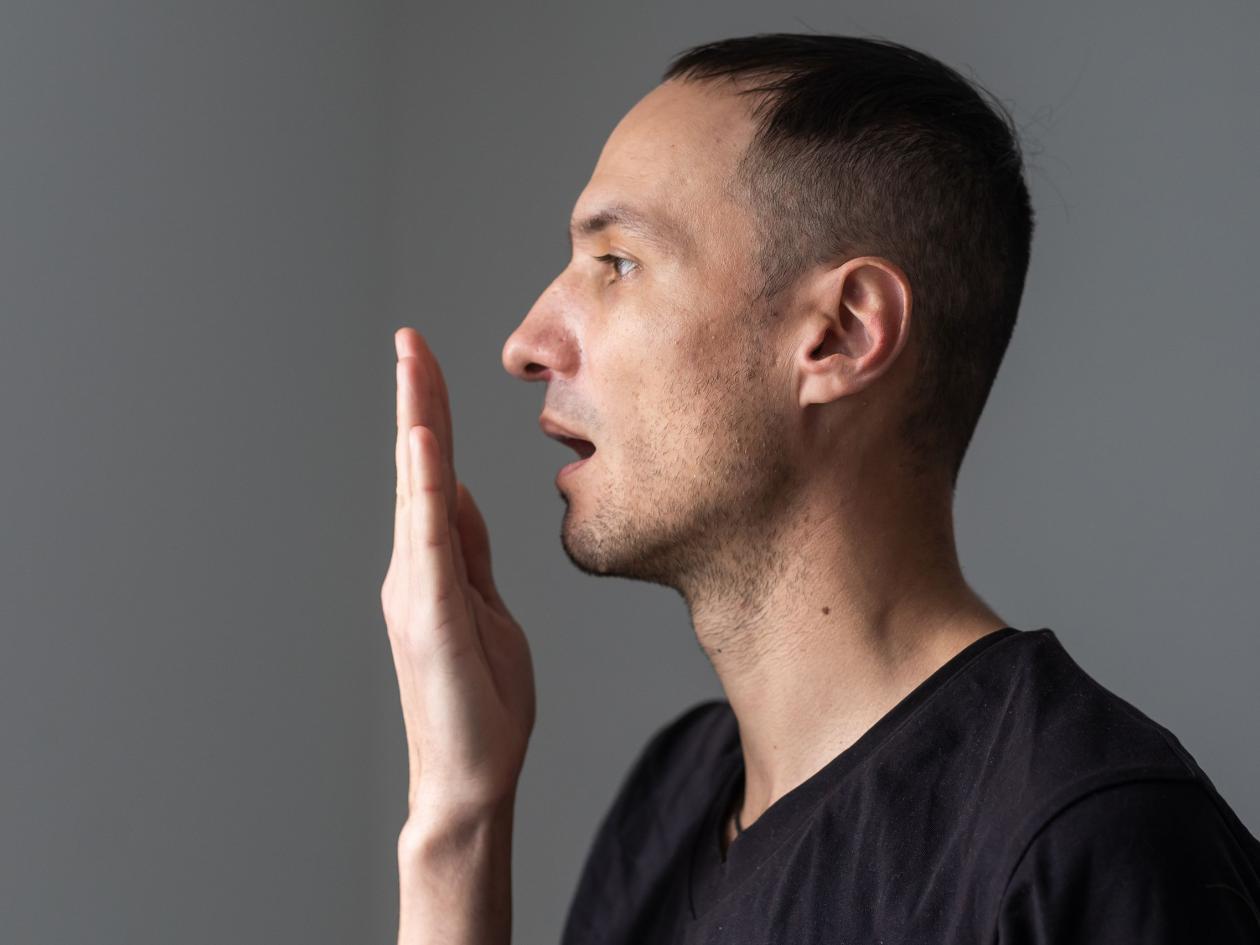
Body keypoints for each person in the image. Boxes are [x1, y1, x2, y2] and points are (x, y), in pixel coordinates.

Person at [380, 32, 1260, 945]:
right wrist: (458, 820)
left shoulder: (1082, 841)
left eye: (618, 264)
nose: (526, 343)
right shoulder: (672, 802)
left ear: (840, 335)